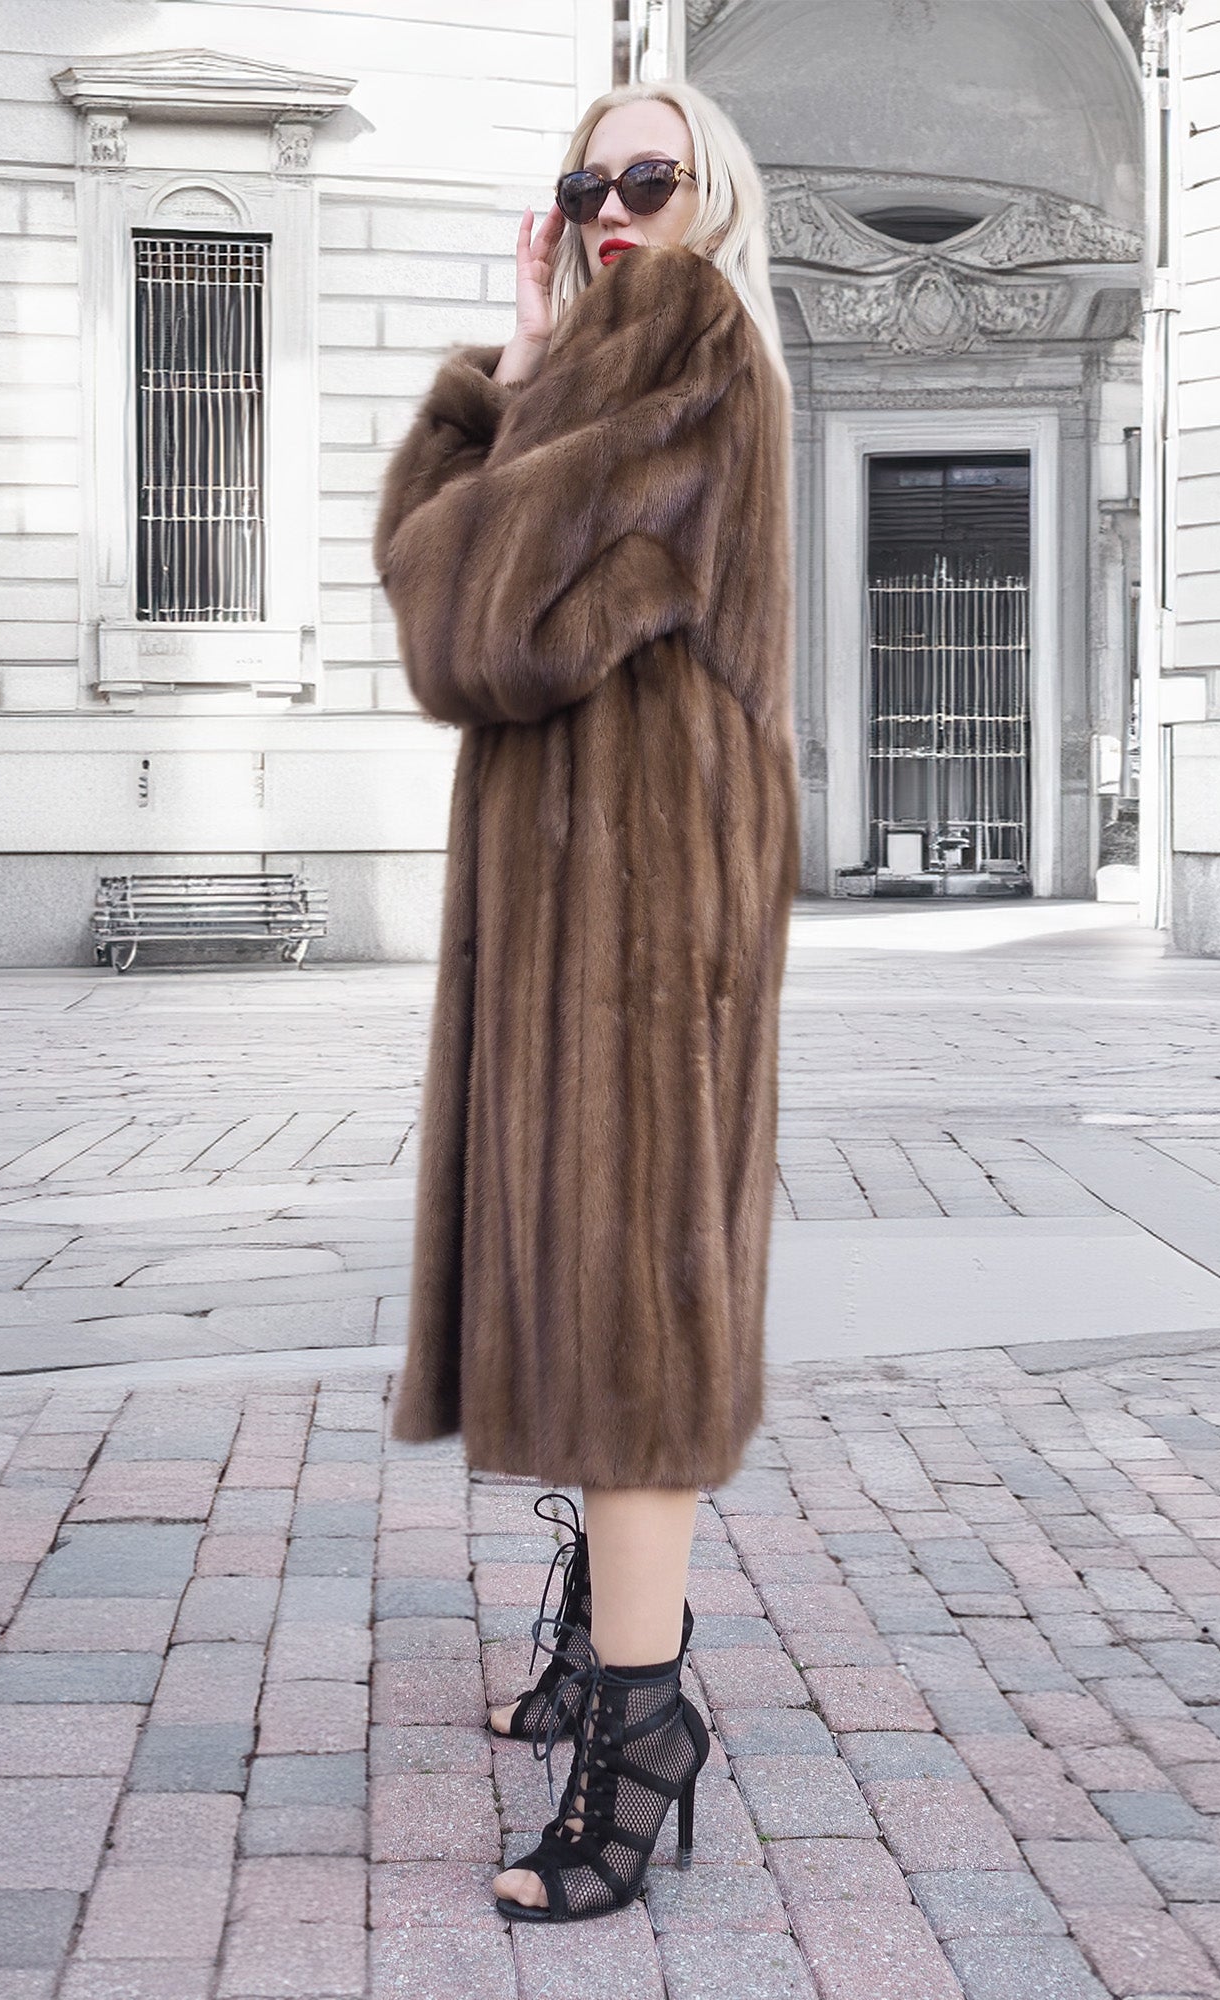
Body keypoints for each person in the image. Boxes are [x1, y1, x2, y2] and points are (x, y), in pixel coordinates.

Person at [372, 76, 798, 1923]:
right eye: (585, 182)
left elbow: (472, 618)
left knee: (628, 1325)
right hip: (586, 891)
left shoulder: (694, 350)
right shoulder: (615, 367)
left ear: (714, 199)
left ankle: (642, 1737)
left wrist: (517, 386)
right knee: (579, 1277)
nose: (613, 206)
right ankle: (596, 1635)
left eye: (650, 177)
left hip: (641, 914)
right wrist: (526, 354)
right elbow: (460, 598)